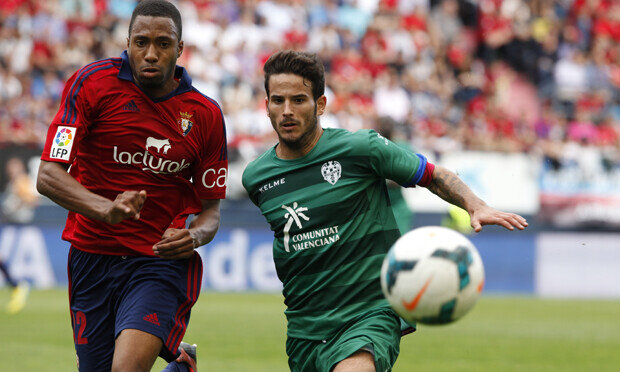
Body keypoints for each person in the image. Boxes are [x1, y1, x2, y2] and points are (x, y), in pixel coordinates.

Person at [241, 50, 528, 372]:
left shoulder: (361, 149)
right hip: (304, 328)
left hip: (369, 314)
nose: (287, 111)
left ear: (320, 105)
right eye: (277, 101)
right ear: (265, 106)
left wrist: (476, 206)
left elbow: (432, 174)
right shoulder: (257, 177)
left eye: (299, 100)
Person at [36, 1, 227, 371]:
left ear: (180, 48)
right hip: (92, 257)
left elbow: (211, 211)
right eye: (141, 42)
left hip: (158, 260)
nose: (151, 53)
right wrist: (105, 209)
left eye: (163, 43)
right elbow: (48, 175)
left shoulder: (204, 115)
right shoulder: (91, 84)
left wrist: (196, 237)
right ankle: (180, 366)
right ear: (127, 42)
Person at [1, 156, 36, 314]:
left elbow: (32, 200)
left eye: (13, 167)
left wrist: (17, 206)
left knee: (6, 257)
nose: (10, 170)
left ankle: (17, 285)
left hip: (18, 226)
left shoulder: (21, 181)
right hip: (10, 224)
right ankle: (15, 285)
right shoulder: (15, 182)